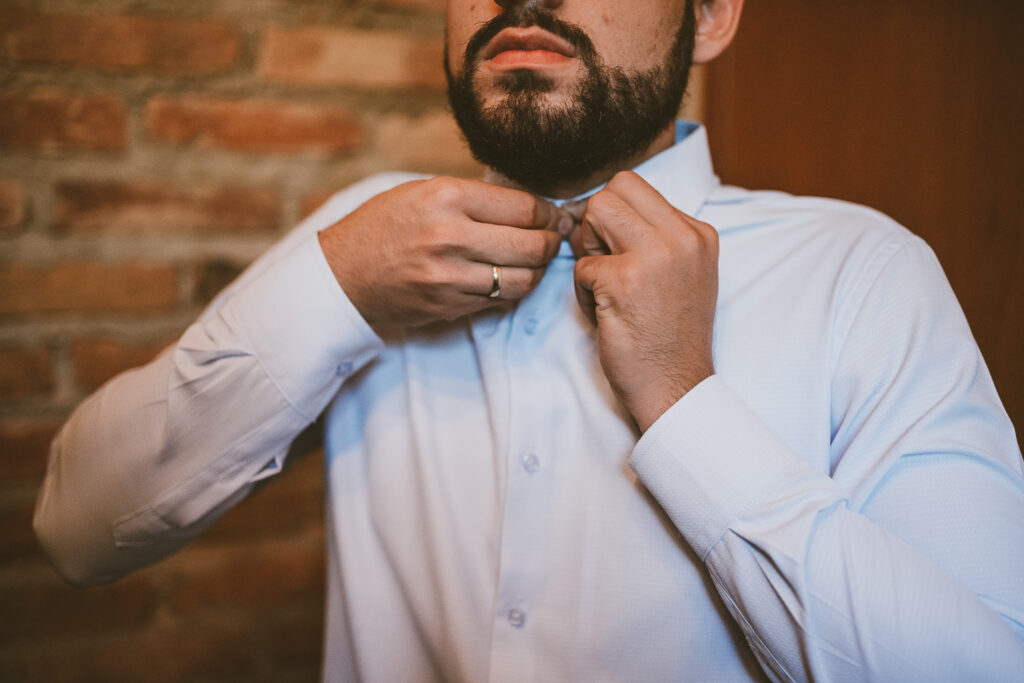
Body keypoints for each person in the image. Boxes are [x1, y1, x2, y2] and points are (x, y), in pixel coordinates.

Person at [34, 0, 1024, 680]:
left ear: (711, 15)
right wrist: (335, 288)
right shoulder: (362, 242)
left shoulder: (863, 273)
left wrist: (684, 403)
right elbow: (79, 529)